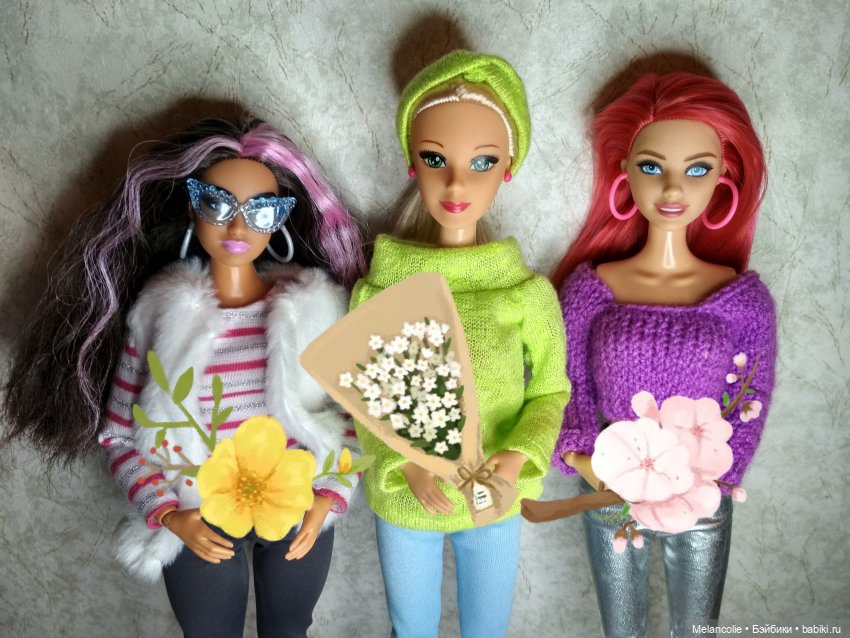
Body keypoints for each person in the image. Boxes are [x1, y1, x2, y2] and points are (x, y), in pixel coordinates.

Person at [2, 116, 365, 638]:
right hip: (196, 505)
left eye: (261, 211)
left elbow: (349, 415)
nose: (238, 228)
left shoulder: (313, 309)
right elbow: (118, 435)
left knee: (289, 628)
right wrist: (169, 513)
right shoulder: (161, 314)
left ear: (280, 222)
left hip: (296, 495)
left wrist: (330, 492)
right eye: (218, 204)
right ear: (192, 207)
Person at [350, 50, 569, 638]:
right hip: (407, 496)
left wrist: (517, 456)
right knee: (411, 627)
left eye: (482, 162)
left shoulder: (525, 294)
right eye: (434, 159)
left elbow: (551, 391)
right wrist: (406, 464)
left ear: (508, 166)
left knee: (488, 626)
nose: (456, 183)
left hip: (493, 491)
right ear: (411, 162)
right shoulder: (380, 290)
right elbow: (365, 397)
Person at [549, 73, 776, 637]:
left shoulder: (740, 300)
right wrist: (587, 463)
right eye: (652, 167)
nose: (673, 189)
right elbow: (565, 386)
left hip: (701, 493)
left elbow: (749, 396)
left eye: (697, 170)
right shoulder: (591, 290)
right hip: (609, 487)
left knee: (698, 628)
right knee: (620, 629)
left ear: (724, 178)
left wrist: (715, 480)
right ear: (623, 171)